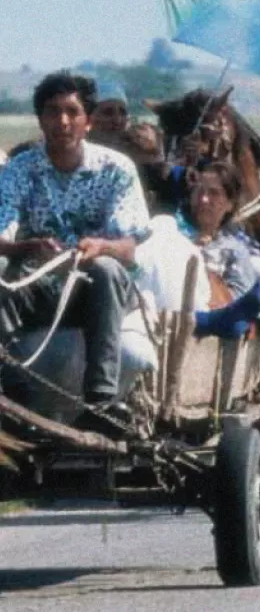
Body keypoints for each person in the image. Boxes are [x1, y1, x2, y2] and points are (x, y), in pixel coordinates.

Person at [0, 72, 150, 425]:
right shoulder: (20, 170)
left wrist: (101, 246)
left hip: (95, 292)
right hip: (38, 285)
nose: (62, 121)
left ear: (88, 121)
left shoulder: (116, 169)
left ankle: (102, 399)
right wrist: (27, 247)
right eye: (52, 112)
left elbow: (129, 248)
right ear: (40, 120)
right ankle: (11, 395)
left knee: (107, 269)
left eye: (71, 111)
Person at [135, 161, 260, 339]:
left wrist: (205, 268)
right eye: (199, 191)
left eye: (214, 194)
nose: (203, 199)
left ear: (229, 204)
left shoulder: (234, 250)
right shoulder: (172, 229)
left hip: (200, 322)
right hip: (155, 306)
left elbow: (236, 303)